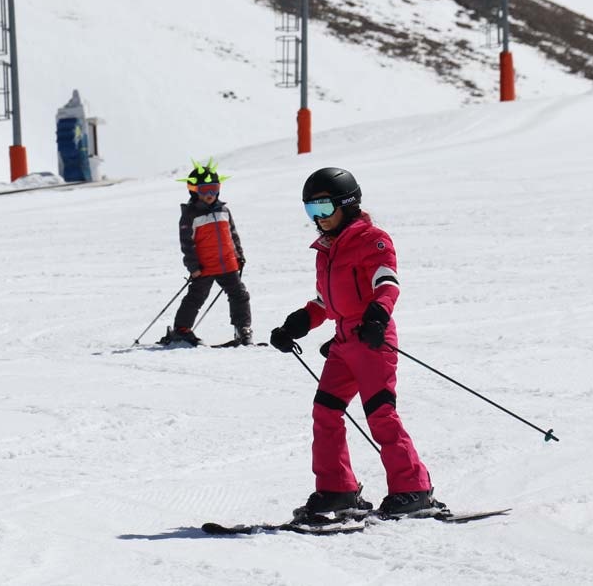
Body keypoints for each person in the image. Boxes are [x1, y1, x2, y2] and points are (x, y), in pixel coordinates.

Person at [269, 167, 436, 517]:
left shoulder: (371, 239)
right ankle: (337, 490)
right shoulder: (325, 251)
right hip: (344, 342)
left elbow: (387, 282)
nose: (319, 219)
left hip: (372, 339)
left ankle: (413, 488)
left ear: (347, 204)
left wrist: (378, 314)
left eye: (325, 209)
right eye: (311, 212)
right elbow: (323, 303)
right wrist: (297, 324)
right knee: (325, 411)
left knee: (380, 413)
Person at [158, 158, 252, 347]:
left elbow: (232, 235)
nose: (210, 194)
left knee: (240, 295)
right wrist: (193, 267)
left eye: (214, 188)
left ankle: (243, 329)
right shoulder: (190, 214)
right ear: (194, 191)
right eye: (204, 190)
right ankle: (182, 329)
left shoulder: (224, 210)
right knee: (196, 297)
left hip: (227, 263)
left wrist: (239, 256)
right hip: (204, 266)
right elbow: (187, 243)